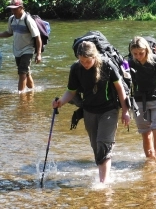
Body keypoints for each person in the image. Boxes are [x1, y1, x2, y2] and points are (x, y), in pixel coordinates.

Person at [52, 41, 130, 183]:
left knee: (103, 143)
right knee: (95, 146)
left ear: (95, 57)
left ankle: (103, 183)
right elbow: (71, 91)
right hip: (89, 110)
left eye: (88, 61)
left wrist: (125, 111)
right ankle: (103, 174)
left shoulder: (107, 65)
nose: (85, 64)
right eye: (82, 61)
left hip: (109, 109)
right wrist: (60, 103)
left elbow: (120, 89)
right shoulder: (76, 68)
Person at [0, 0, 42, 92]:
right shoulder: (11, 19)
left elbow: (37, 37)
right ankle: (32, 91)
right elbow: (9, 33)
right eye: (11, 8)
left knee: (22, 73)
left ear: (21, 7)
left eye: (15, 8)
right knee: (26, 73)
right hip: (17, 50)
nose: (13, 10)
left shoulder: (28, 20)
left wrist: (39, 54)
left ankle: (21, 97)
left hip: (28, 49)